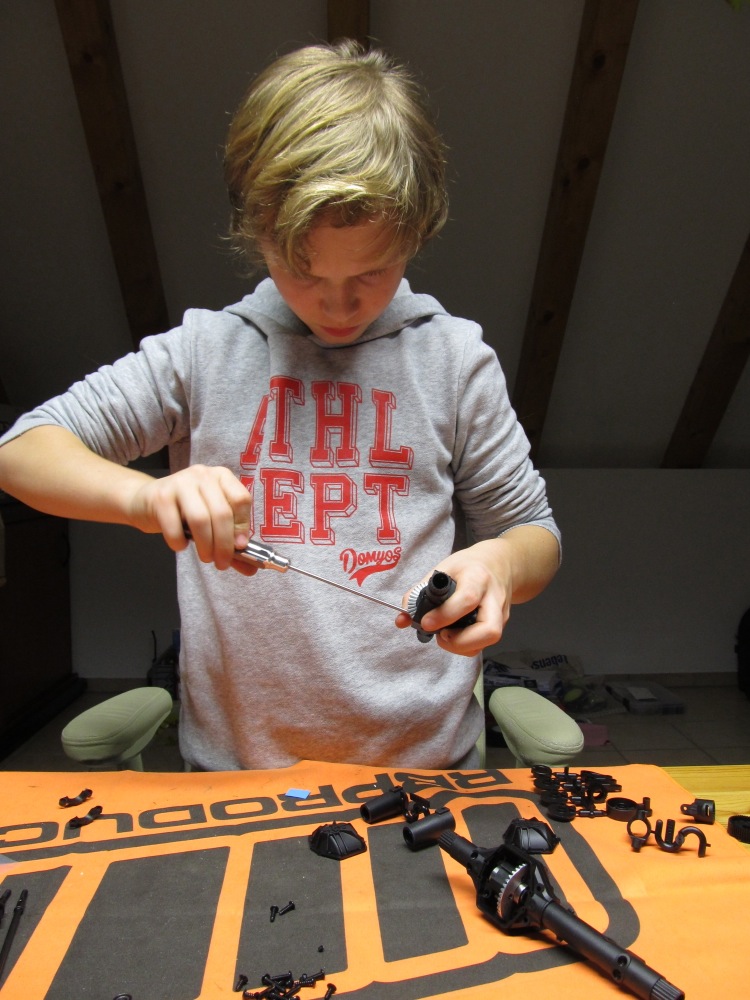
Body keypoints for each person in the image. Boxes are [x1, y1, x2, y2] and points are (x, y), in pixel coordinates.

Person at [0, 41, 560, 771]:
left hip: (424, 771)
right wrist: (145, 497)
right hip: (238, 778)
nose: (338, 305)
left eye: (372, 272)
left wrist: (501, 562)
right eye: (303, 270)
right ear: (256, 231)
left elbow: (535, 535)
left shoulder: (453, 360)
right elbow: (21, 453)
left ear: (417, 233)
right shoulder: (204, 353)